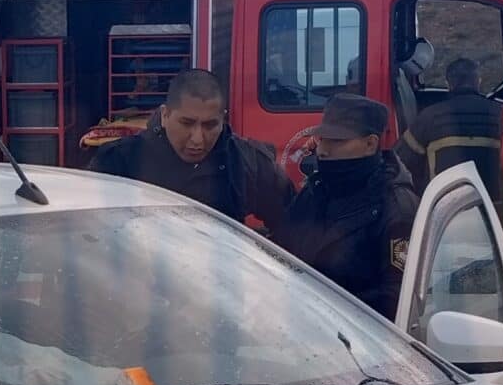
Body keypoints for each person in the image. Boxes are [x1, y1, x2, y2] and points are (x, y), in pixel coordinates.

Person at [89, 68, 293, 229]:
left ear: (223, 118)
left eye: (210, 125)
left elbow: (296, 226)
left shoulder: (248, 163)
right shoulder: (118, 162)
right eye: (187, 123)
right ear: (165, 115)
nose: (197, 139)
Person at [274, 94, 417, 317]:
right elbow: (281, 249)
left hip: (357, 339)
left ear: (370, 144)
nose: (322, 151)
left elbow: (396, 298)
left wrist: (325, 310)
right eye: (322, 140)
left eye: (336, 141)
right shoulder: (317, 190)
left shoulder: (395, 207)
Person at [398, 57, 503, 192]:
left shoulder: (430, 116)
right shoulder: (501, 115)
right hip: (492, 207)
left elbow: (400, 161)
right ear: (478, 82)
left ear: (448, 84)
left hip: (444, 207)